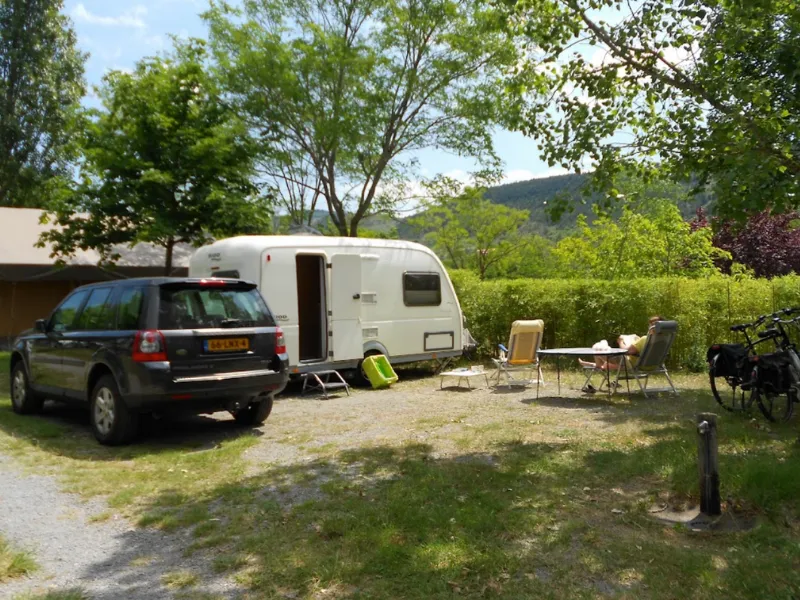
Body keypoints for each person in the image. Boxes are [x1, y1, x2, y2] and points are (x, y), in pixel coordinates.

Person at [578, 315, 664, 371]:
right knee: (632, 338)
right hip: (653, 366)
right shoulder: (664, 340)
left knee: (598, 346)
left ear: (653, 328)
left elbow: (624, 351)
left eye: (650, 325)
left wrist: (621, 341)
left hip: (633, 365)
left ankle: (597, 365)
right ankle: (594, 364)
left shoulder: (646, 339)